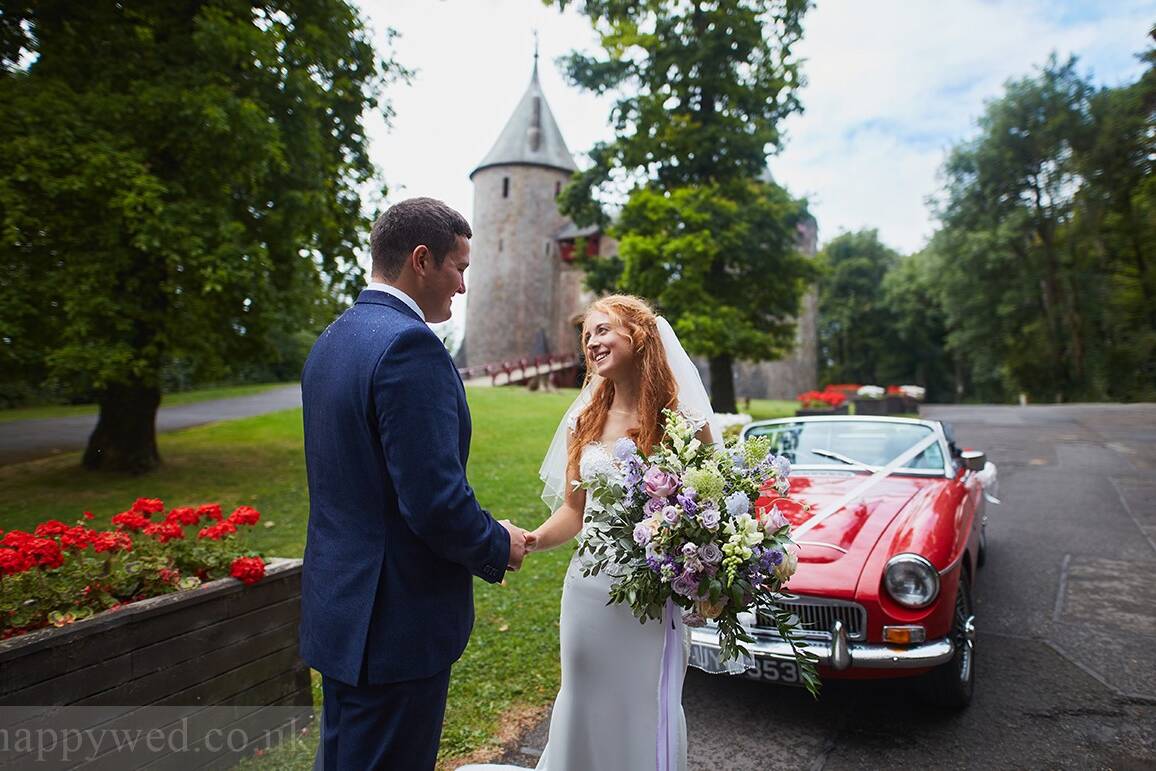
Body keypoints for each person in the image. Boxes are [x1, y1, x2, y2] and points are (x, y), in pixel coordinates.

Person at [299, 197, 533, 770]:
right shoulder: (410, 347)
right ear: (422, 260)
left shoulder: (333, 340)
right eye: (459, 268)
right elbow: (433, 502)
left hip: (341, 609)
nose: (461, 286)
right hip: (394, 622)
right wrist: (497, 543)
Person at [463, 294, 720, 771]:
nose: (593, 343)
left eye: (603, 330)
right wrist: (534, 539)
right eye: (586, 336)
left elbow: (712, 509)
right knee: (582, 696)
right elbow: (574, 511)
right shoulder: (585, 420)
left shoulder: (683, 424)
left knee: (646, 704)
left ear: (638, 336)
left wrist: (703, 573)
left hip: (652, 597)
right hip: (588, 589)